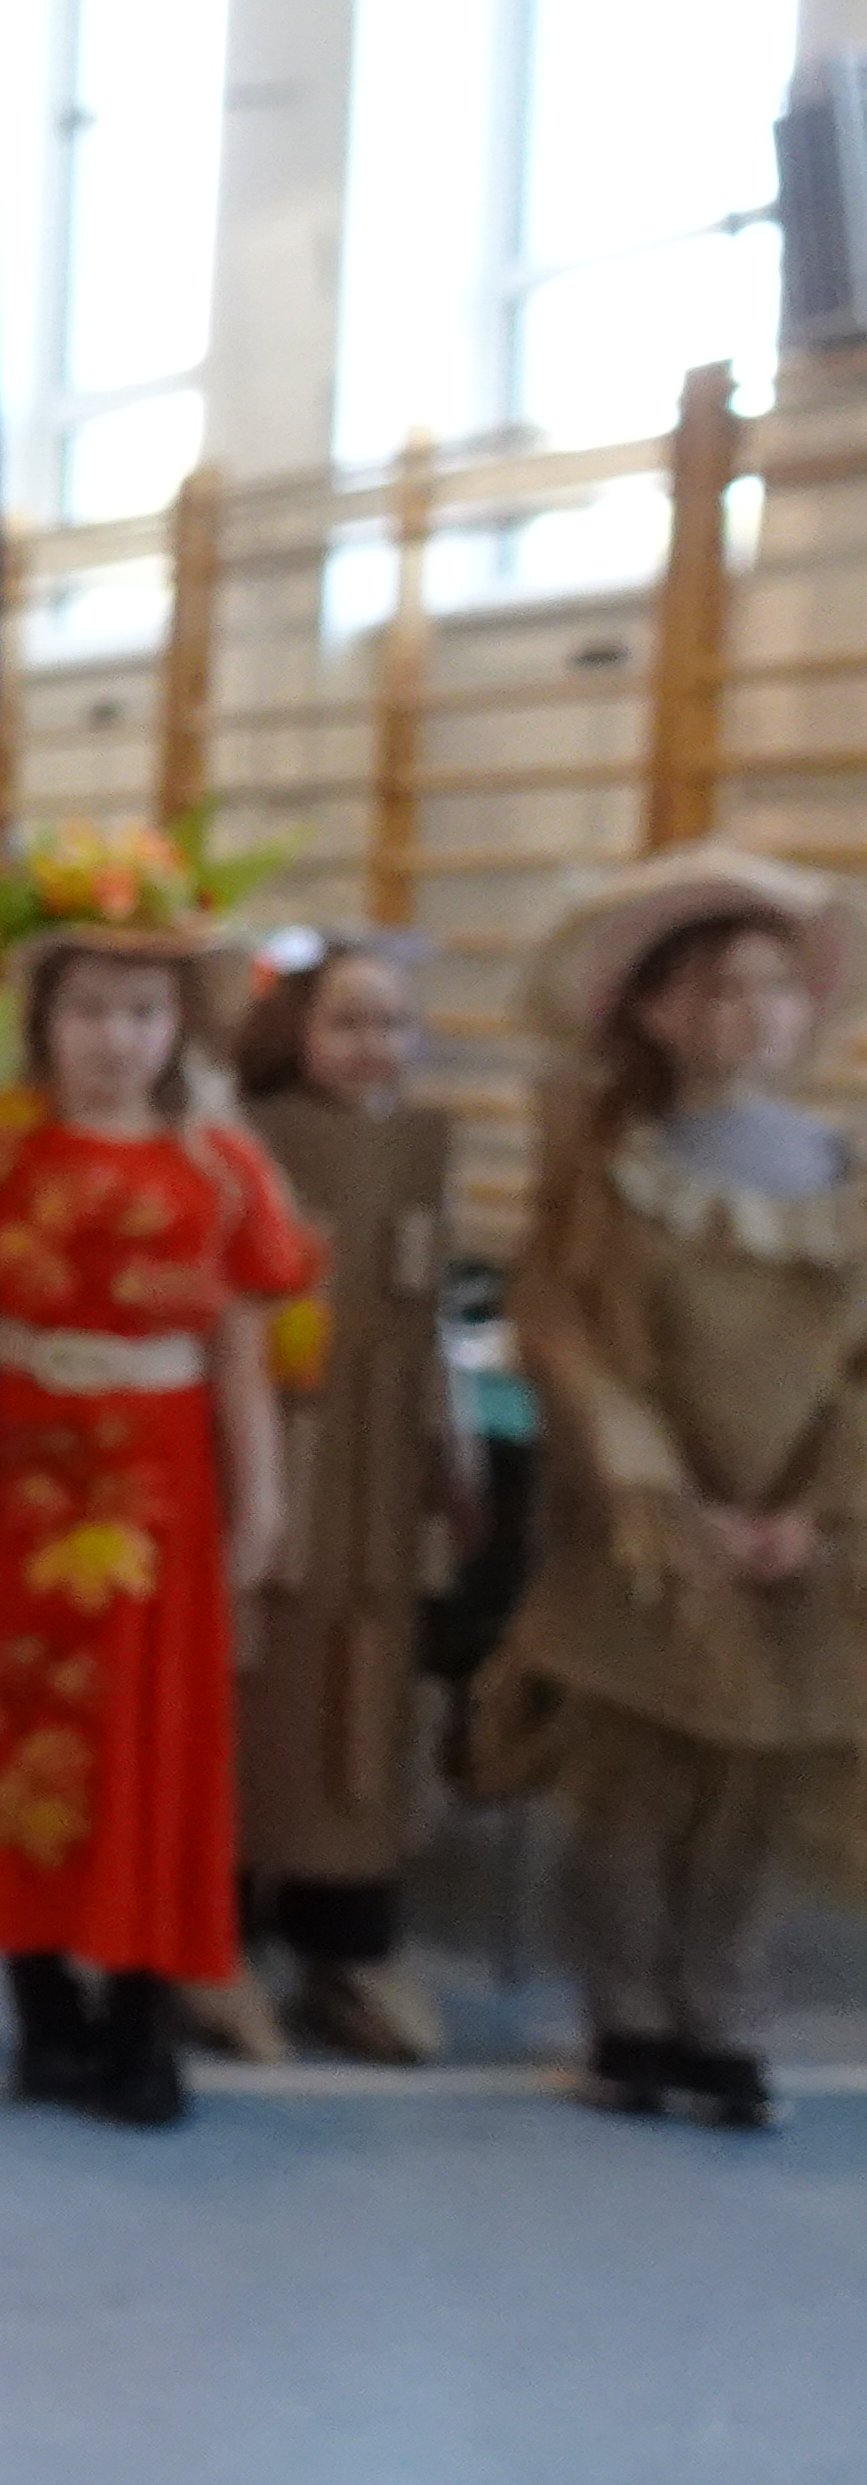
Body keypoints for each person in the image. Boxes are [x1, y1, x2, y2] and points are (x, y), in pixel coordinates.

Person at [0, 878, 312, 2133]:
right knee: (8, 1730)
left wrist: (260, 1500)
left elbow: (241, 1356)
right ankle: (41, 2011)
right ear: (43, 1022)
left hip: (155, 1495)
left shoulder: (219, 1168)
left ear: (178, 1027)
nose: (114, 1038)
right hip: (6, 1483)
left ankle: (138, 2013)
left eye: (141, 1012)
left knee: (143, 1748)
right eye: (89, 1011)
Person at [474, 845, 865, 2136]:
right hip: (644, 1532)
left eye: (775, 989)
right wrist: (657, 1493)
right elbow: (567, 1332)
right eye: (718, 990)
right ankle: (628, 2015)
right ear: (653, 1011)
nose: (752, 1015)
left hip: (799, 1537)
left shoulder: (841, 1170)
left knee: (757, 1787)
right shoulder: (612, 1167)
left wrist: (816, 1510)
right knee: (631, 1781)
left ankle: (726, 2019)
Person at [214, 937, 471, 2065]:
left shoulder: (417, 1151)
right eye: (349, 1021)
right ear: (295, 1033)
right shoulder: (240, 1140)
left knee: (363, 1702)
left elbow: (436, 1321)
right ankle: (215, 1933)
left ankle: (347, 1941)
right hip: (266, 1454)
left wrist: (453, 1448)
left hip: (379, 1473)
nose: (374, 1045)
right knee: (246, 1692)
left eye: (393, 1024)